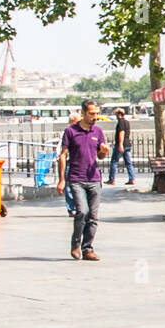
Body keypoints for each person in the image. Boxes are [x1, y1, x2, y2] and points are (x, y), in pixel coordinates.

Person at [56, 100, 109, 261]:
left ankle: (88, 248)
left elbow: (99, 156)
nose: (95, 117)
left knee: (93, 216)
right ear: (83, 113)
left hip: (94, 178)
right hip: (76, 178)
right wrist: (61, 180)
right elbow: (63, 155)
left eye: (97, 113)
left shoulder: (98, 132)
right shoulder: (71, 132)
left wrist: (104, 152)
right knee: (82, 211)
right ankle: (76, 244)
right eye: (92, 113)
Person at [106, 107, 135, 185]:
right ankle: (132, 178)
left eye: (116, 114)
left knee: (114, 162)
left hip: (121, 144)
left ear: (119, 114)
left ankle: (112, 179)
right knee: (128, 163)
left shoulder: (121, 122)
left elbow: (121, 133)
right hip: (128, 144)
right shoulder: (127, 122)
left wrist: (120, 144)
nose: (115, 115)